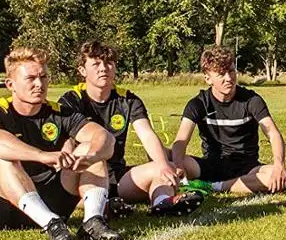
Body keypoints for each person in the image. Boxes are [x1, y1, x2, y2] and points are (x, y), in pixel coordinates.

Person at [0, 46, 122, 240]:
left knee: (91, 149)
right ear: (10, 84)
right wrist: (42, 156)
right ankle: (51, 224)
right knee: (1, 157)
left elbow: (105, 138)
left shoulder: (60, 112)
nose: (39, 84)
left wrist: (91, 156)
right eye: (31, 78)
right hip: (3, 210)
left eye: (43, 77)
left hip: (52, 199)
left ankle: (92, 222)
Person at [59, 41, 203, 218]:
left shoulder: (127, 100)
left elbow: (147, 135)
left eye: (109, 63)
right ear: (82, 71)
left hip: (117, 177)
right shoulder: (70, 101)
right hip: (83, 175)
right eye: (96, 64)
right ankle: (100, 205)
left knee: (164, 167)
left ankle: (162, 204)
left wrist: (164, 166)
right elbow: (65, 144)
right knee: (90, 150)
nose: (103, 68)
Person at [171, 47, 286, 196]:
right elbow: (180, 141)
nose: (229, 78)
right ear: (207, 78)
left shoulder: (251, 100)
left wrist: (279, 165)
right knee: (165, 158)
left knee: (277, 176)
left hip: (247, 168)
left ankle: (215, 187)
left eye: (231, 71)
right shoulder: (198, 104)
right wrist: (178, 166)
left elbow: (273, 133)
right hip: (209, 166)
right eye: (221, 74)